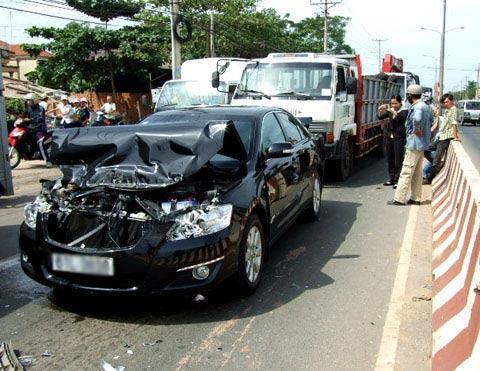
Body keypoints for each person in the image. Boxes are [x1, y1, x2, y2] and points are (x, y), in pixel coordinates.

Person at [387, 84, 433, 206]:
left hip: (414, 143)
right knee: (417, 173)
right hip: (422, 144)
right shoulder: (426, 107)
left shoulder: (418, 107)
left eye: (408, 95)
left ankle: (399, 199)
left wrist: (417, 129)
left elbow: (416, 119)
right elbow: (432, 121)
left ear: (410, 95)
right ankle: (415, 198)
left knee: (406, 171)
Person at [425, 93, 460, 183]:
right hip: (441, 136)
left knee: (436, 160)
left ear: (452, 101)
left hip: (446, 138)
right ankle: (438, 165)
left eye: (447, 102)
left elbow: (454, 123)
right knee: (425, 149)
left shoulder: (453, 109)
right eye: (444, 102)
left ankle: (429, 178)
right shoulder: (447, 110)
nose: (445, 104)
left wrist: (455, 136)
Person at [378, 95, 408, 187]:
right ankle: (391, 178)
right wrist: (381, 110)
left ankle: (397, 180)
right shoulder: (390, 111)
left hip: (399, 137)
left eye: (395, 103)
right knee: (390, 158)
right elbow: (380, 117)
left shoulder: (404, 111)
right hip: (389, 137)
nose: (393, 105)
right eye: (392, 103)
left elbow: (400, 119)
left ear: (400, 103)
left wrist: (392, 111)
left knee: (398, 159)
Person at [23, 93, 49, 163]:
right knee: (21, 136)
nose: (28, 102)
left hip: (40, 130)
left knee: (40, 143)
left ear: (34, 100)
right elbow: (25, 117)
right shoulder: (28, 109)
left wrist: (30, 119)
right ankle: (28, 154)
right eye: (27, 100)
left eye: (29, 100)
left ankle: (48, 160)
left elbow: (40, 118)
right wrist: (20, 119)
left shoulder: (41, 108)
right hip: (30, 129)